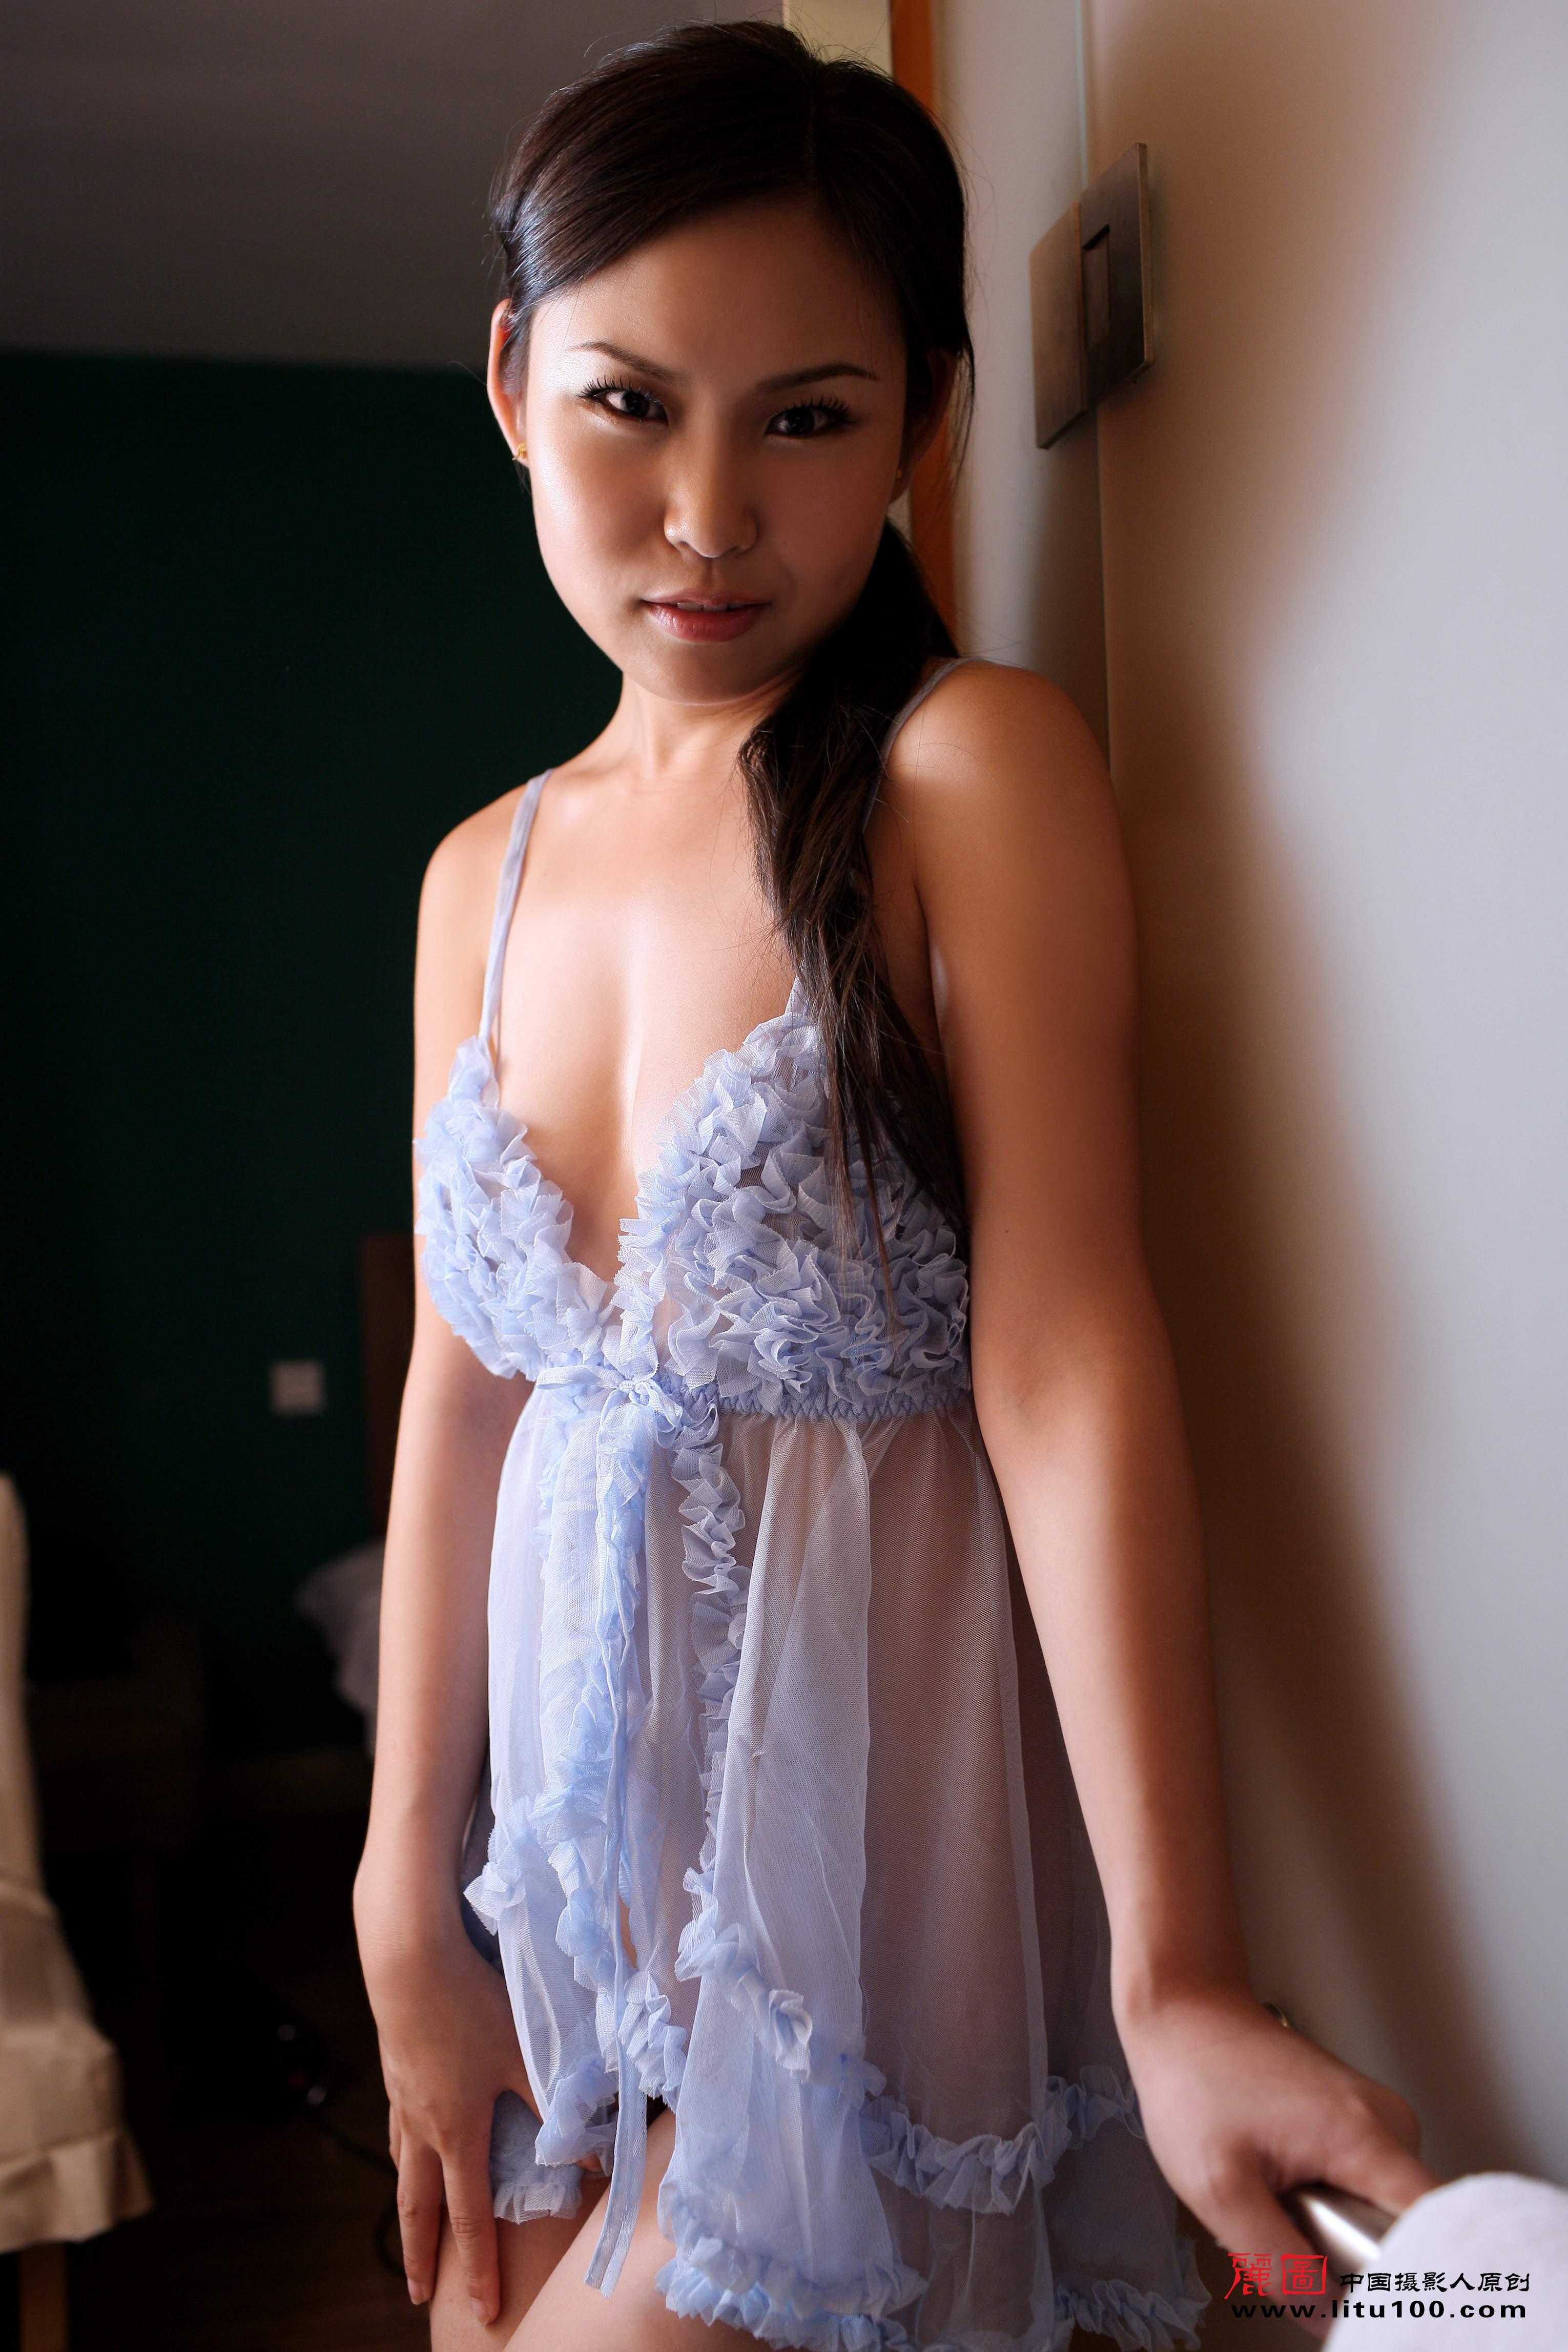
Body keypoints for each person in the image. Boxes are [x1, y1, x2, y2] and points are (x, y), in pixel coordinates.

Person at [353, 24, 1439, 2350]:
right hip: (558, 1922)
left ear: (927, 420)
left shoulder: (968, 774)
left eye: (806, 418)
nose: (708, 514)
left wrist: (1181, 1972)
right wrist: (395, 1893)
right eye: (631, 404)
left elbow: (1067, 1357)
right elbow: (462, 1399)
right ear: (515, 382)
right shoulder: (476, 877)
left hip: (838, 1915)